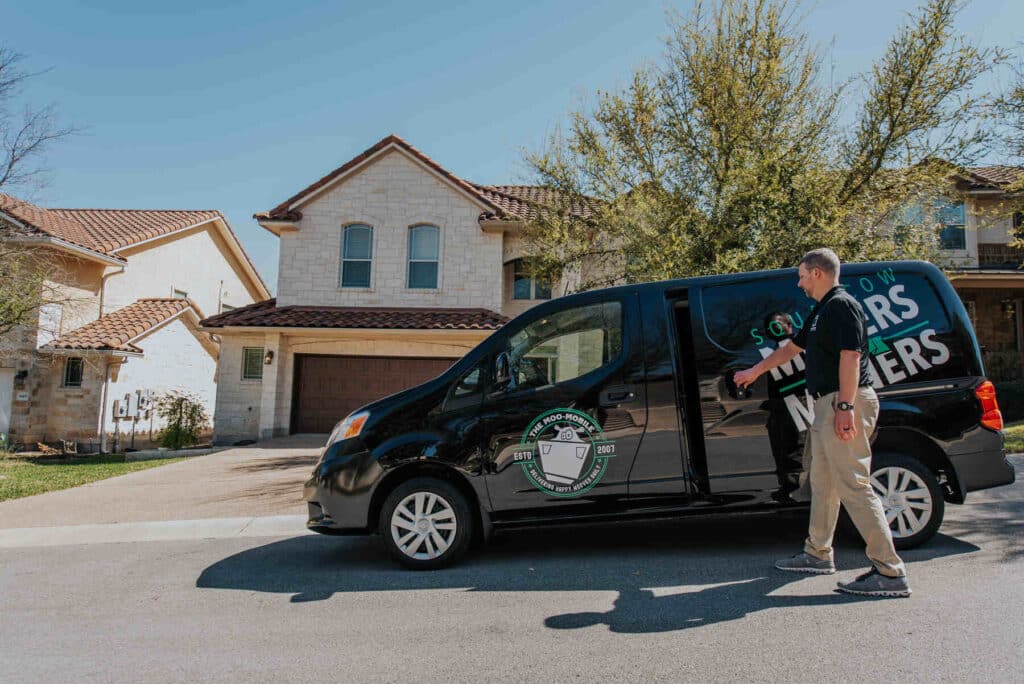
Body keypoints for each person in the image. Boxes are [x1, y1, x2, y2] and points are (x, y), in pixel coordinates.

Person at [734, 248, 911, 598]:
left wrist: (845, 405)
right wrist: (754, 371)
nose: (799, 283)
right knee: (823, 482)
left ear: (817, 272)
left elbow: (851, 356)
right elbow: (791, 349)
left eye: (801, 275)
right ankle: (817, 553)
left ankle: (890, 572)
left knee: (854, 485)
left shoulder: (842, 305)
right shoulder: (822, 309)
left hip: (845, 401)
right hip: (828, 403)